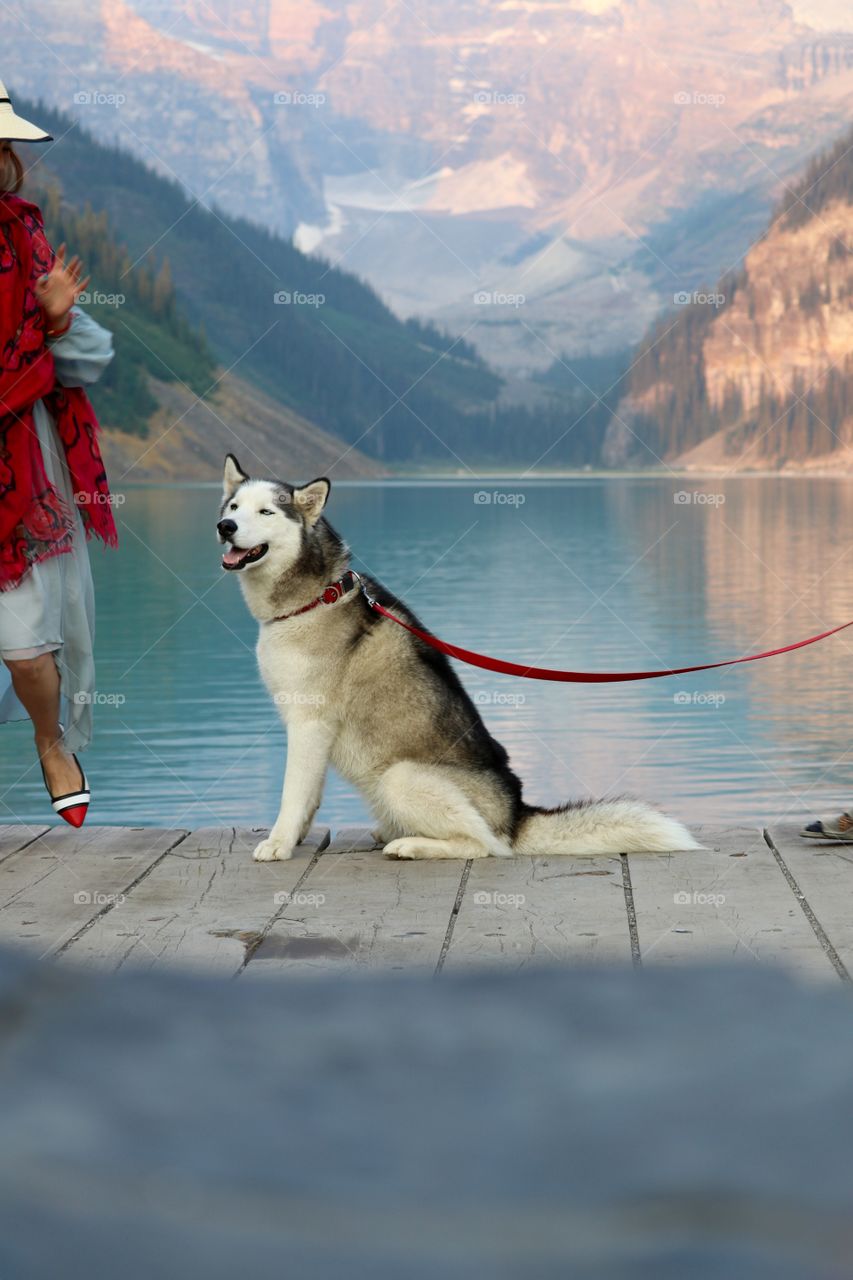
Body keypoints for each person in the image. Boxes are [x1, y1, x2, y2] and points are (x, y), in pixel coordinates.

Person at [0, 82, 117, 827]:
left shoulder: (23, 234)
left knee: (24, 650)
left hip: (18, 462)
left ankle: (50, 742)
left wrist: (54, 319)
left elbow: (86, 358)